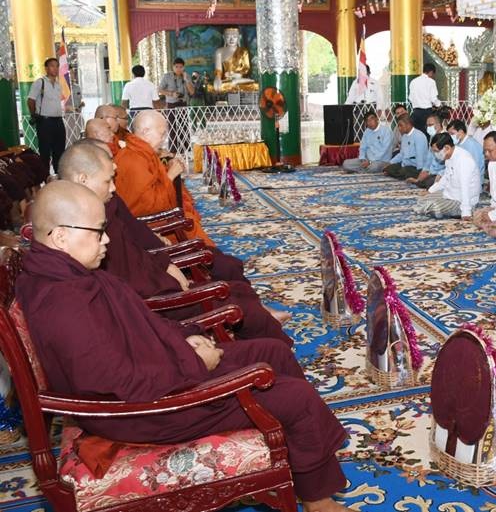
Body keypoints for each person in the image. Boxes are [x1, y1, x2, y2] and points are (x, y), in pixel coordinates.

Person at [16, 181, 352, 511]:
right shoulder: (63, 302)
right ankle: (318, 502)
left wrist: (185, 337)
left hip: (156, 370)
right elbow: (113, 382)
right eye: (97, 232)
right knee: (295, 398)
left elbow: (138, 323)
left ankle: (301, 467)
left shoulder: (70, 274)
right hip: (142, 410)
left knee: (272, 352)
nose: (106, 240)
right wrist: (195, 363)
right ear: (61, 236)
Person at [58, 141, 293, 343]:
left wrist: (164, 263)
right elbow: (124, 279)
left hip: (155, 280)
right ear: (83, 179)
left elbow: (134, 242)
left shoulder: (103, 206)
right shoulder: (83, 227)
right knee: (236, 301)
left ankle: (260, 335)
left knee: (236, 286)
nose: (113, 187)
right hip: (154, 302)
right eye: (108, 180)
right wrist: (165, 269)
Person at [114, 110, 212, 245]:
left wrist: (168, 169)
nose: (164, 139)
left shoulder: (141, 152)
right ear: (145, 131)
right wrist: (171, 174)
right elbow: (149, 206)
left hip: (154, 217)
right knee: (191, 227)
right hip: (149, 225)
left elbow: (154, 180)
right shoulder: (133, 160)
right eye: (162, 134)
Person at [413, 133, 480, 220]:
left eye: (436, 151)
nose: (435, 154)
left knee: (434, 207)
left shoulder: (464, 160)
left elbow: (465, 187)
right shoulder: (449, 157)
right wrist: (430, 191)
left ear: (447, 148)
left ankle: (458, 211)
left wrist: (466, 212)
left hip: (461, 200)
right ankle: (434, 208)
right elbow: (445, 178)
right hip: (450, 193)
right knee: (422, 200)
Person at [27, 57, 67, 173]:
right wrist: (34, 115)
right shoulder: (40, 82)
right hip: (45, 121)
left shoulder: (58, 84)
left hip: (58, 120)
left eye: (57, 66)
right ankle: (45, 175)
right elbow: (30, 100)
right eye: (52, 66)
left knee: (59, 149)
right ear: (46, 68)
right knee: (45, 151)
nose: (55, 68)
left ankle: (58, 174)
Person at [158, 58, 195, 154]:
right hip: (171, 104)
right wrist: (171, 94)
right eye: (176, 67)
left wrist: (186, 80)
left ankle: (186, 149)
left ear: (184, 67)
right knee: (172, 127)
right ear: (173, 67)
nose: (179, 69)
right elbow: (160, 89)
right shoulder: (167, 76)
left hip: (183, 104)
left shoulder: (187, 76)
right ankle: (173, 150)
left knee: (184, 127)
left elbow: (192, 92)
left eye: (181, 67)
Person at [407, 113, 445, 188]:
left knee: (427, 183)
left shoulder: (445, 138)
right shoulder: (432, 138)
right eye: (427, 125)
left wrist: (430, 173)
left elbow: (444, 165)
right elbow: (428, 160)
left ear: (438, 125)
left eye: (430, 125)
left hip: (441, 173)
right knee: (418, 177)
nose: (428, 128)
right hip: (431, 171)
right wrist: (422, 174)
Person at [383, 116, 428, 180]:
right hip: (404, 165)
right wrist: (390, 162)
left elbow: (420, 156)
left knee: (403, 172)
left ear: (408, 125)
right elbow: (401, 154)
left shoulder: (419, 136)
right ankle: (398, 174)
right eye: (398, 126)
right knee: (388, 168)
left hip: (415, 166)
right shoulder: (404, 136)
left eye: (401, 125)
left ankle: (401, 174)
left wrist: (420, 171)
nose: (399, 128)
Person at [212, 28, 256, 92]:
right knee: (216, 87)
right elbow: (218, 70)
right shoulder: (219, 51)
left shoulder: (243, 51)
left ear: (239, 37)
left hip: (239, 78)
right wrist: (217, 78)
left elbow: (246, 68)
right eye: (228, 37)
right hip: (227, 79)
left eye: (234, 37)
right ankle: (235, 82)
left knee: (255, 85)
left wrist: (238, 74)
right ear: (224, 37)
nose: (231, 39)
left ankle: (238, 81)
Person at [408, 63, 441, 135]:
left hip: (415, 113)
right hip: (427, 113)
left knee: (417, 133)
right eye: (433, 74)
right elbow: (433, 98)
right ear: (431, 72)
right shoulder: (431, 82)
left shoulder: (413, 81)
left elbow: (410, 98)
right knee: (428, 134)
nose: (433, 76)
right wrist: (439, 105)